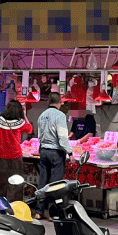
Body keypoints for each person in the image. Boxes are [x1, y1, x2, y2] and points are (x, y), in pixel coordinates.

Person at [35, 92, 71, 220]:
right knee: (55, 184)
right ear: (60, 102)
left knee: (43, 181)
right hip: (56, 153)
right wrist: (69, 152)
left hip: (43, 151)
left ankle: (39, 212)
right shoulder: (60, 115)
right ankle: (52, 213)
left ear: (48, 101)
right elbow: (62, 137)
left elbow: (39, 136)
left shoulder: (42, 115)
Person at [0, 100, 33, 201]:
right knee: (16, 183)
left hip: (1, 155)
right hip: (15, 157)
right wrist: (24, 116)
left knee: (0, 182)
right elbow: (29, 130)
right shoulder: (20, 122)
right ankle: (14, 205)